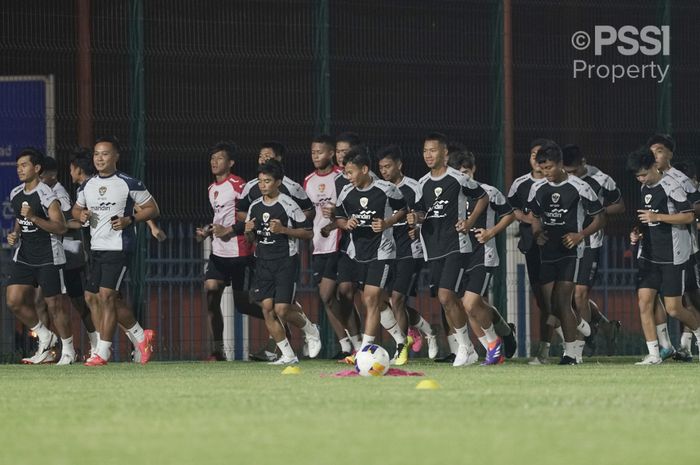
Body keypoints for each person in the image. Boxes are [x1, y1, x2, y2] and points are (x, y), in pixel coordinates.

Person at [72, 136, 158, 366]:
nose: (100, 158)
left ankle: (103, 351)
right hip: (97, 249)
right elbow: (76, 209)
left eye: (105, 154)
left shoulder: (129, 182)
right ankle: (141, 336)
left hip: (119, 247)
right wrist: (80, 216)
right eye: (97, 154)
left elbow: (152, 209)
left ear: (116, 156)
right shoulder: (87, 185)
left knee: (107, 296)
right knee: (92, 297)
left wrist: (130, 219)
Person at [407, 132, 488, 367]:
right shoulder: (422, 183)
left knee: (445, 295)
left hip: (457, 246)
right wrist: (416, 217)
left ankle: (466, 347)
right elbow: (423, 211)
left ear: (444, 153)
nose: (428, 155)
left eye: (433, 150)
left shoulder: (458, 178)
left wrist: (470, 222)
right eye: (425, 151)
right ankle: (468, 348)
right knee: (446, 300)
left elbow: (482, 197)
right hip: (432, 248)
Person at [528, 140, 603, 365]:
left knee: (562, 300)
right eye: (542, 169)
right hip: (547, 252)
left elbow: (600, 218)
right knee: (549, 306)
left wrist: (580, 235)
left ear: (560, 164)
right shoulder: (538, 188)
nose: (546, 173)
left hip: (572, 251)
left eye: (549, 168)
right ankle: (585, 327)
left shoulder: (580, 187)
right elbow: (534, 215)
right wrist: (537, 233)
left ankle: (571, 354)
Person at [244, 160, 322, 365]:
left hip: (285, 261)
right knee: (267, 308)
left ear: (278, 182)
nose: (262, 185)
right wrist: (248, 231)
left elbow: (308, 232)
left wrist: (284, 230)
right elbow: (251, 239)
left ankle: (311, 330)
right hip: (263, 262)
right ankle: (288, 356)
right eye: (260, 181)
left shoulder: (288, 204)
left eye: (267, 181)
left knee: (282, 309)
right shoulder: (254, 206)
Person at [627, 148, 700, 364]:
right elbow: (645, 218)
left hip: (673, 254)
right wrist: (637, 231)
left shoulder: (672, 187)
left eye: (643, 174)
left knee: (674, 309)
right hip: (649, 254)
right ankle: (654, 354)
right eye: (637, 176)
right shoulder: (643, 187)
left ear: (653, 166)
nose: (641, 179)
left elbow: (688, 216)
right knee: (644, 302)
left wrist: (657, 216)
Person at [447, 148, 517, 364]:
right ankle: (499, 338)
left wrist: (491, 232)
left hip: (483, 254)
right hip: (459, 255)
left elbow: (510, 215)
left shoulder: (489, 192)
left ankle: (494, 345)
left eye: (466, 172)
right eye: (459, 173)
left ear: (474, 169)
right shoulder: (449, 192)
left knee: (470, 303)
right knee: (470, 307)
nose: (464, 177)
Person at [195, 141, 263, 361]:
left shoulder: (239, 185)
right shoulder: (211, 188)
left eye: (220, 158)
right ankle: (217, 350)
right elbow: (220, 219)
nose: (214, 162)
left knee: (243, 305)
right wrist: (207, 231)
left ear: (231, 162)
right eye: (212, 158)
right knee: (211, 291)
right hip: (219, 254)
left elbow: (250, 218)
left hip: (240, 254)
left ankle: (277, 320)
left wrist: (229, 230)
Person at [335, 147, 407, 355]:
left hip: (382, 252)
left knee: (371, 298)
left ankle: (365, 351)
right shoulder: (347, 192)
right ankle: (402, 340)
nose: (348, 177)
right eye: (346, 173)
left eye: (351, 172)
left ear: (364, 169)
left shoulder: (386, 189)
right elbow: (338, 217)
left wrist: (387, 223)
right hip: (358, 253)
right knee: (377, 302)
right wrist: (345, 223)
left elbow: (403, 209)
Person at [6, 148, 73, 365]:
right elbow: (19, 218)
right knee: (14, 300)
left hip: (48, 254)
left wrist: (34, 217)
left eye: (24, 165)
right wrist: (15, 233)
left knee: (54, 305)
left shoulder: (47, 195)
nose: (19, 169)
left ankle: (69, 351)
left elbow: (61, 227)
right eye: (18, 166)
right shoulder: (16, 193)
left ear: (36, 169)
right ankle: (45, 336)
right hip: (25, 254)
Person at [561, 144, 625, 361]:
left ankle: (581, 345)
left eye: (574, 171)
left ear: (583, 162)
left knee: (579, 294)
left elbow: (620, 205)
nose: (571, 176)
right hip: (565, 243)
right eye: (566, 171)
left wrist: (598, 210)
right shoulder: (558, 179)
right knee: (568, 297)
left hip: (590, 243)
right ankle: (606, 327)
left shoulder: (601, 179)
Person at [377, 144, 438, 362]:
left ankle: (400, 348)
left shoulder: (414, 187)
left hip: (409, 251)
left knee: (397, 299)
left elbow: (427, 213)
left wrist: (418, 226)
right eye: (381, 167)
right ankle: (425, 329)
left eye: (388, 166)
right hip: (384, 251)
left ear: (399, 165)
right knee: (380, 299)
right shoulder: (378, 188)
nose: (384, 171)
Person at [647, 134, 700, 360]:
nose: (654, 156)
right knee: (657, 298)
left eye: (659, 150)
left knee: (688, 300)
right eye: (652, 151)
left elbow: (695, 209)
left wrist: (669, 216)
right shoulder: (647, 179)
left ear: (670, 153)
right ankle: (670, 346)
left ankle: (686, 344)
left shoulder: (681, 180)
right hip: (657, 250)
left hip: (684, 248)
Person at [38, 154, 97, 358]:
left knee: (79, 302)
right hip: (52, 255)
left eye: (40, 173)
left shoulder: (59, 194)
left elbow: (68, 223)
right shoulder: (42, 191)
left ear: (50, 174)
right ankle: (47, 348)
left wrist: (53, 224)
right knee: (43, 301)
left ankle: (95, 345)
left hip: (69, 254)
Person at [304, 134, 354, 359]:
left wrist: (334, 221)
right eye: (313, 152)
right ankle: (346, 344)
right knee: (327, 298)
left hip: (339, 243)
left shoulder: (341, 177)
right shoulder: (308, 180)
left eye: (320, 152)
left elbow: (349, 209)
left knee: (341, 294)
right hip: (318, 245)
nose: (316, 156)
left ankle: (358, 342)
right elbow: (308, 212)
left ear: (331, 154)